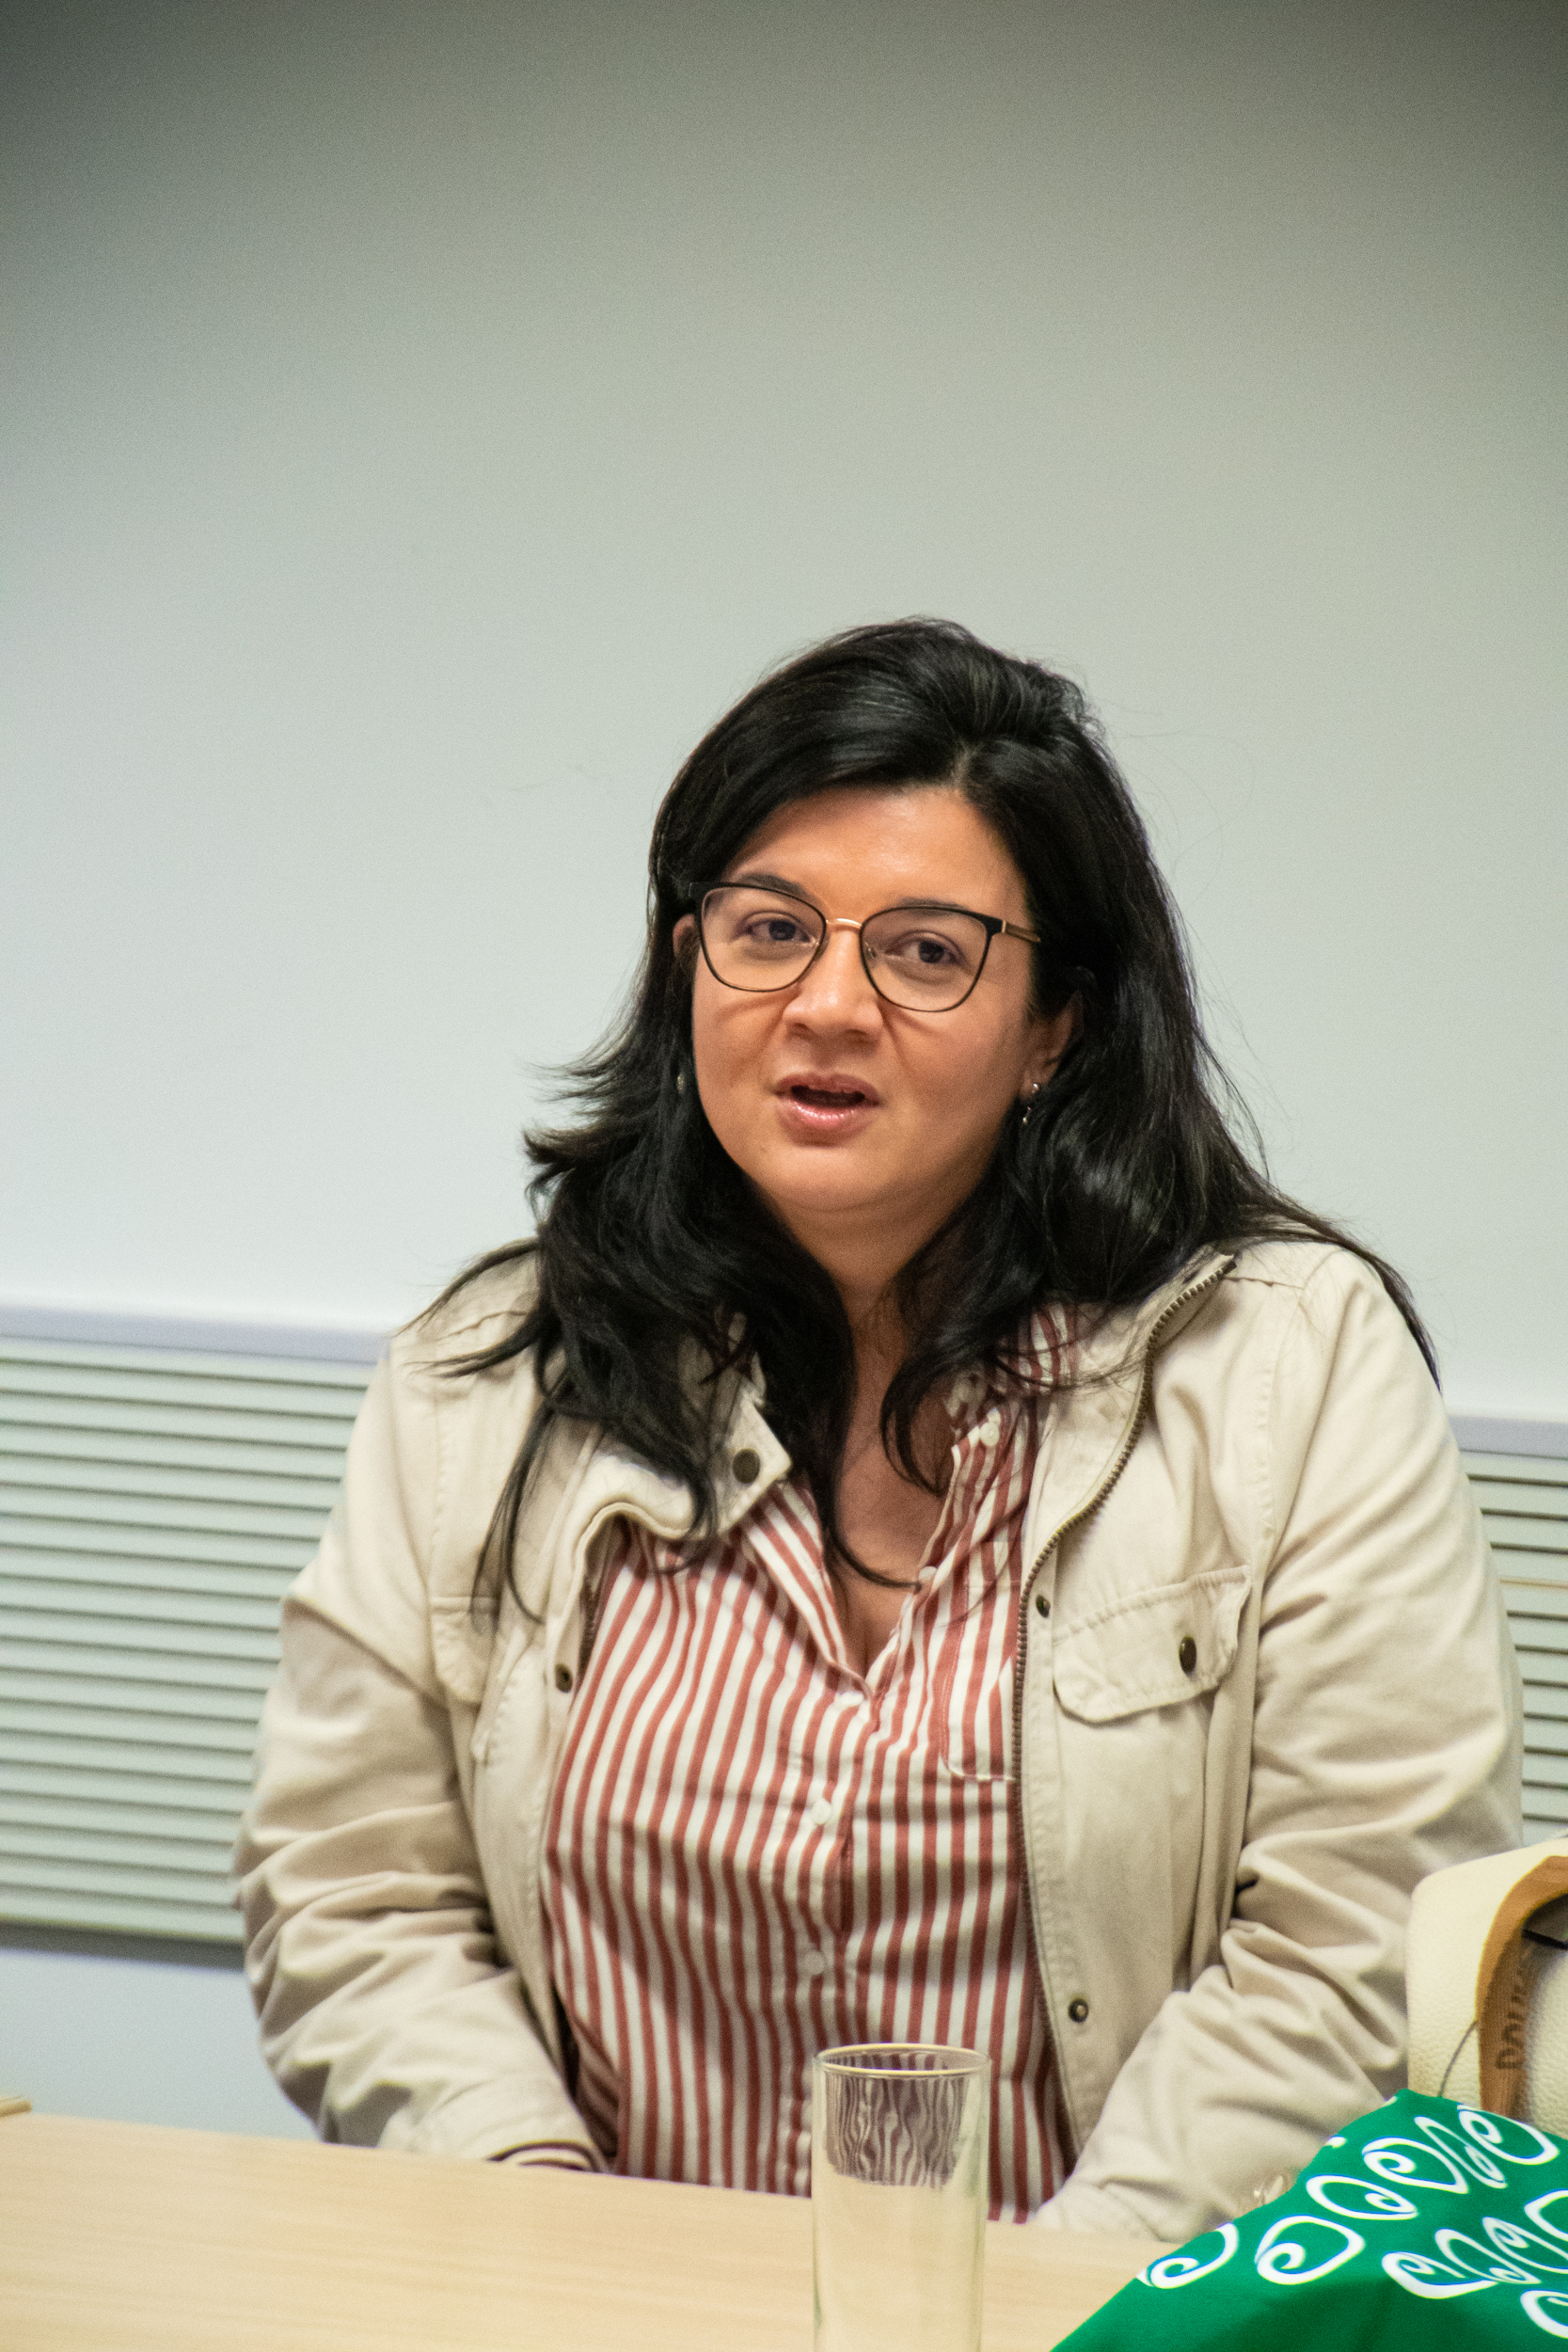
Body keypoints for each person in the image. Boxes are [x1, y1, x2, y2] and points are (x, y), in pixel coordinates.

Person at [237, 619, 1520, 2238]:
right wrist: (544, 2242)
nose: (826, 1006)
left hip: (1099, 2320)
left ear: (1055, 1024)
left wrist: (1040, 2312)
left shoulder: (1289, 1364)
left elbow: (1358, 1935)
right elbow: (352, 1891)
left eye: (924, 953)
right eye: (770, 930)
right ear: (688, 966)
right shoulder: (490, 1371)